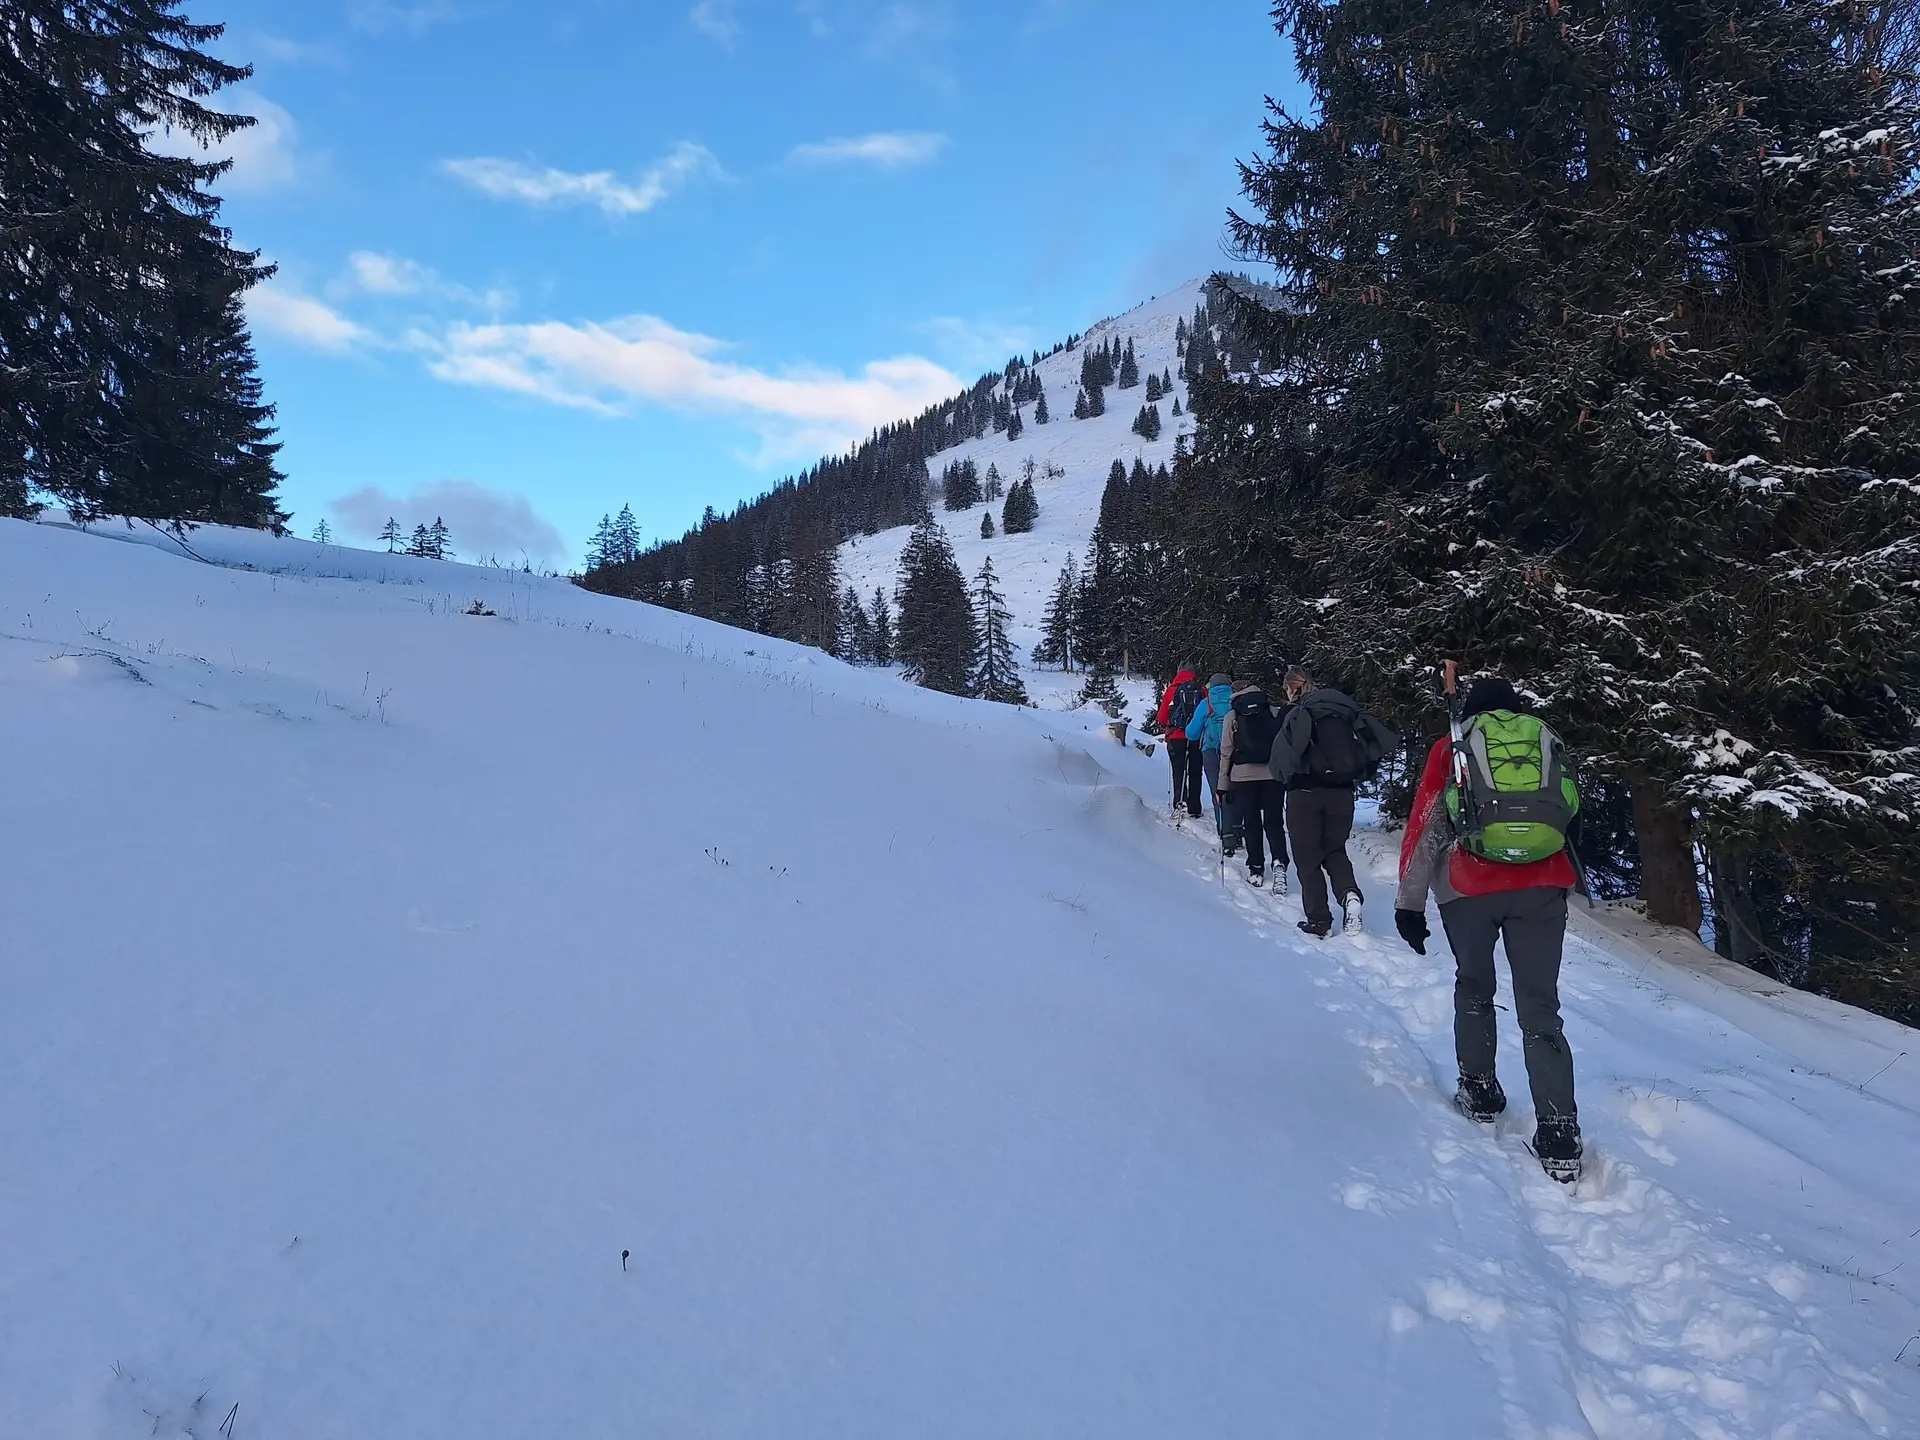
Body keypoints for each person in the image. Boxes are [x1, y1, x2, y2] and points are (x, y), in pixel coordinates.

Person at [1392, 676, 1584, 1184]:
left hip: (1467, 888)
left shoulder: (1454, 745)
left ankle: (1479, 1091)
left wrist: (1410, 903)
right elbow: (1570, 807)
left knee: (1475, 985)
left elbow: (1428, 823)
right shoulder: (1544, 738)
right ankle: (1559, 1133)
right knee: (1540, 1008)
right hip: (1542, 885)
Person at [1270, 666, 1396, 937]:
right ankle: (1349, 895)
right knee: (1335, 850)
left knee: (1307, 858)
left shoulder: (1297, 712)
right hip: (1342, 793)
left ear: (1291, 688)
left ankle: (1319, 920)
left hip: (1304, 793)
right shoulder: (1345, 711)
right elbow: (1370, 748)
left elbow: (1282, 760)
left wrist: (1284, 778)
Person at [1215, 678, 1288, 890]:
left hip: (1243, 776)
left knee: (1251, 822)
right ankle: (1279, 862)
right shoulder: (1272, 711)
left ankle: (1256, 868)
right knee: (1274, 821)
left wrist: (1222, 784)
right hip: (1272, 775)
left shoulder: (1232, 715)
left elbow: (1226, 751)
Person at [1188, 672, 1238, 851]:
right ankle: (1239, 830)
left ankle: (1226, 833)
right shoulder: (1236, 700)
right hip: (1236, 751)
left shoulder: (1207, 702)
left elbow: (1192, 733)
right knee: (1236, 790)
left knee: (1218, 791)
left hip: (1212, 751)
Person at [1155, 666, 1205, 819]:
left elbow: (1162, 717)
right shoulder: (1201, 689)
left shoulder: (1172, 690)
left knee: (1179, 771)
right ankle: (1195, 807)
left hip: (1176, 736)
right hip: (1196, 737)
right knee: (1195, 772)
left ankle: (1180, 802)